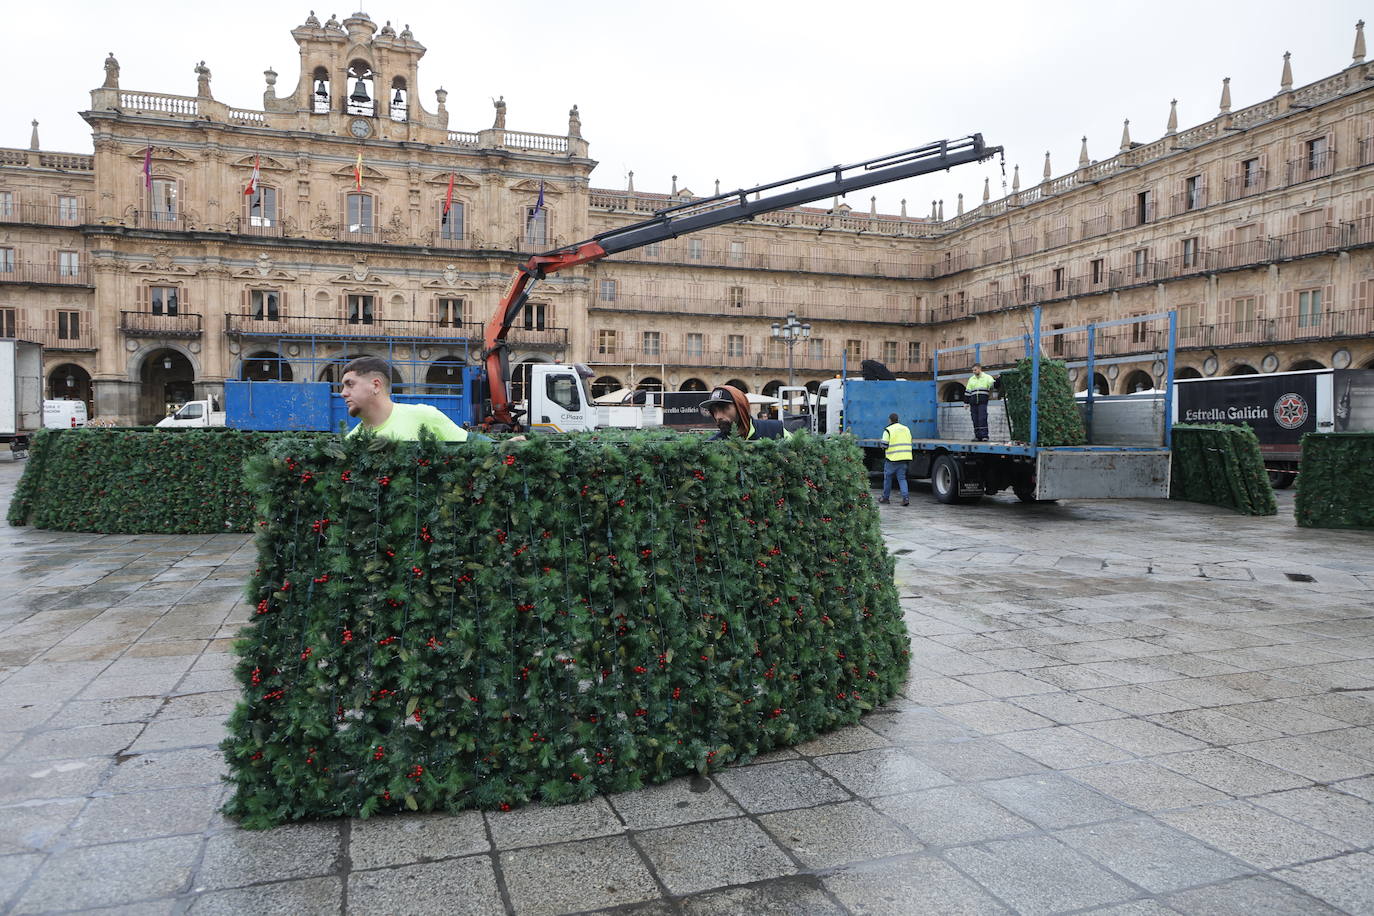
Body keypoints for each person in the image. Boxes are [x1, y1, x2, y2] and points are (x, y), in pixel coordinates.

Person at [340, 356, 489, 442]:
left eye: (350, 384)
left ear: (376, 385)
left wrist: (507, 445)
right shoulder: (351, 441)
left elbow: (471, 442)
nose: (343, 393)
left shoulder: (424, 416)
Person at [700, 385, 790, 441]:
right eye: (714, 411)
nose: (718, 416)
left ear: (741, 408)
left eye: (723, 408)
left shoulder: (775, 430)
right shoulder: (712, 445)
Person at [880, 413, 912, 505]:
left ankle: (885, 498)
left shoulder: (888, 430)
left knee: (888, 479)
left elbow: (884, 445)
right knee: (902, 479)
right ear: (898, 419)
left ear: (890, 420)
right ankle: (905, 498)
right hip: (904, 458)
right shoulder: (906, 428)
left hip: (892, 459)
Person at [965, 364, 996, 441]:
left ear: (979, 369)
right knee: (975, 419)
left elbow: (993, 384)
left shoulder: (987, 377)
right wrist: (966, 402)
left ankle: (984, 436)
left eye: (975, 370)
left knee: (982, 418)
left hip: (982, 402)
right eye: (973, 370)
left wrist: (998, 379)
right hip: (973, 402)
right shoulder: (971, 379)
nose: (974, 372)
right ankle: (977, 436)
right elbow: (968, 391)